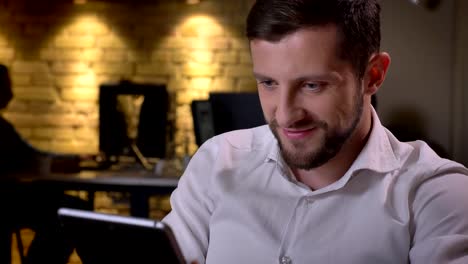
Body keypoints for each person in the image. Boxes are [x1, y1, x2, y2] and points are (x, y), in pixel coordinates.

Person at [162, 0, 468, 263]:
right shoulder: (216, 162)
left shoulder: (436, 196)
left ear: (372, 76)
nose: (285, 115)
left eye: (312, 85)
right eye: (269, 83)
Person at [0, 64, 91, 264]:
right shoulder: (1, 130)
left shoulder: (3, 127)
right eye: (6, 85)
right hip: (7, 204)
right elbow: (34, 159)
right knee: (74, 210)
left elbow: (31, 157)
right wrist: (73, 161)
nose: (11, 92)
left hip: (9, 199)